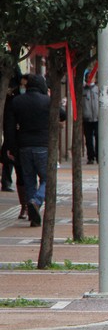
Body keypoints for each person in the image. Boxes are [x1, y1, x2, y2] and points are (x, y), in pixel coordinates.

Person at [8, 74, 67, 227]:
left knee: (29, 180)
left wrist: (11, 147)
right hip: (43, 145)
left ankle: (32, 214)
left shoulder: (17, 101)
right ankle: (36, 200)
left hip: (24, 146)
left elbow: (10, 127)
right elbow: (63, 114)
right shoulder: (48, 101)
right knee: (48, 178)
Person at [2, 74, 26, 218]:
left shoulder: (14, 101)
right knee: (24, 176)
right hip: (19, 145)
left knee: (23, 176)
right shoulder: (14, 101)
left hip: (19, 144)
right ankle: (28, 204)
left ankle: (28, 205)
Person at [82, 71, 99, 164]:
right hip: (87, 118)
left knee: (98, 137)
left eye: (92, 76)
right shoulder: (83, 90)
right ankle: (90, 157)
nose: (90, 78)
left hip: (97, 118)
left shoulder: (97, 89)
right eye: (88, 76)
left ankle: (98, 156)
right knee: (88, 139)